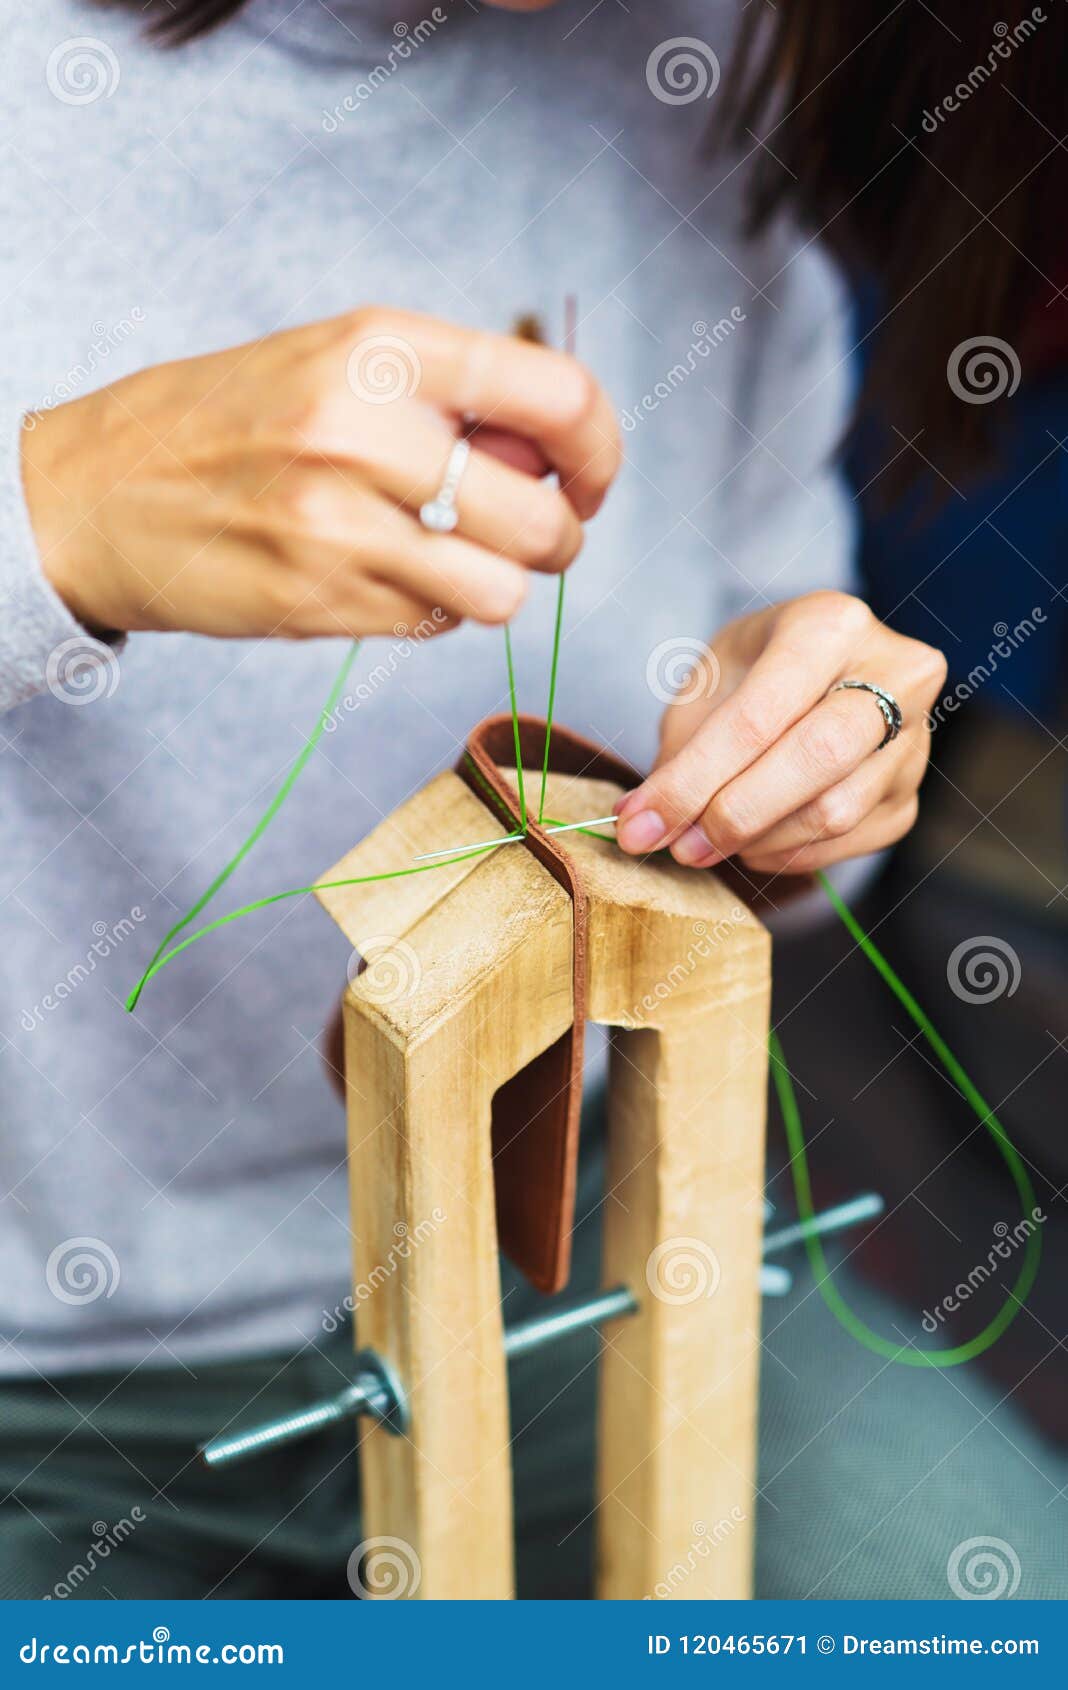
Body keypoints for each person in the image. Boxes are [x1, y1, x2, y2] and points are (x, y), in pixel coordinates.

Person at [3, 0, 1044, 1601]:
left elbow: (769, 681)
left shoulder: (716, 53)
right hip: (44, 1391)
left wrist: (804, 771)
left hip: (578, 1278)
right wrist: (47, 524)